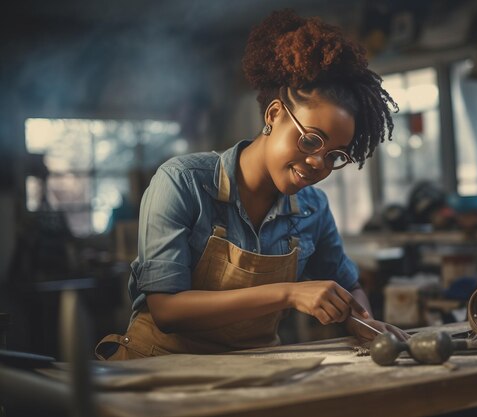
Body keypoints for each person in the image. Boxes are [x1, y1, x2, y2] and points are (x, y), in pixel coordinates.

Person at [95, 9, 408, 360]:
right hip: (157, 368)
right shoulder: (183, 182)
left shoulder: (313, 209)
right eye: (310, 140)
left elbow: (349, 285)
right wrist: (288, 294)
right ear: (273, 115)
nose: (319, 164)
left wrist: (363, 323)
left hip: (250, 372)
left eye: (335, 156)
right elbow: (167, 310)